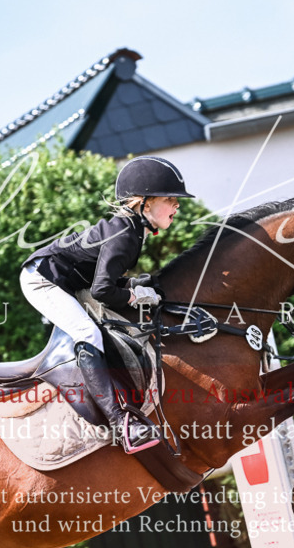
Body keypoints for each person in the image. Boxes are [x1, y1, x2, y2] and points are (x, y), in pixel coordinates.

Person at [21, 156, 194, 452]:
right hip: (43, 280)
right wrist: (134, 296)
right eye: (170, 199)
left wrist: (135, 287)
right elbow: (102, 290)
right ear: (143, 202)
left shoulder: (132, 230)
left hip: (70, 279)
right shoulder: (125, 234)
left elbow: (105, 279)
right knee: (88, 334)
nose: (177, 205)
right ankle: (120, 423)